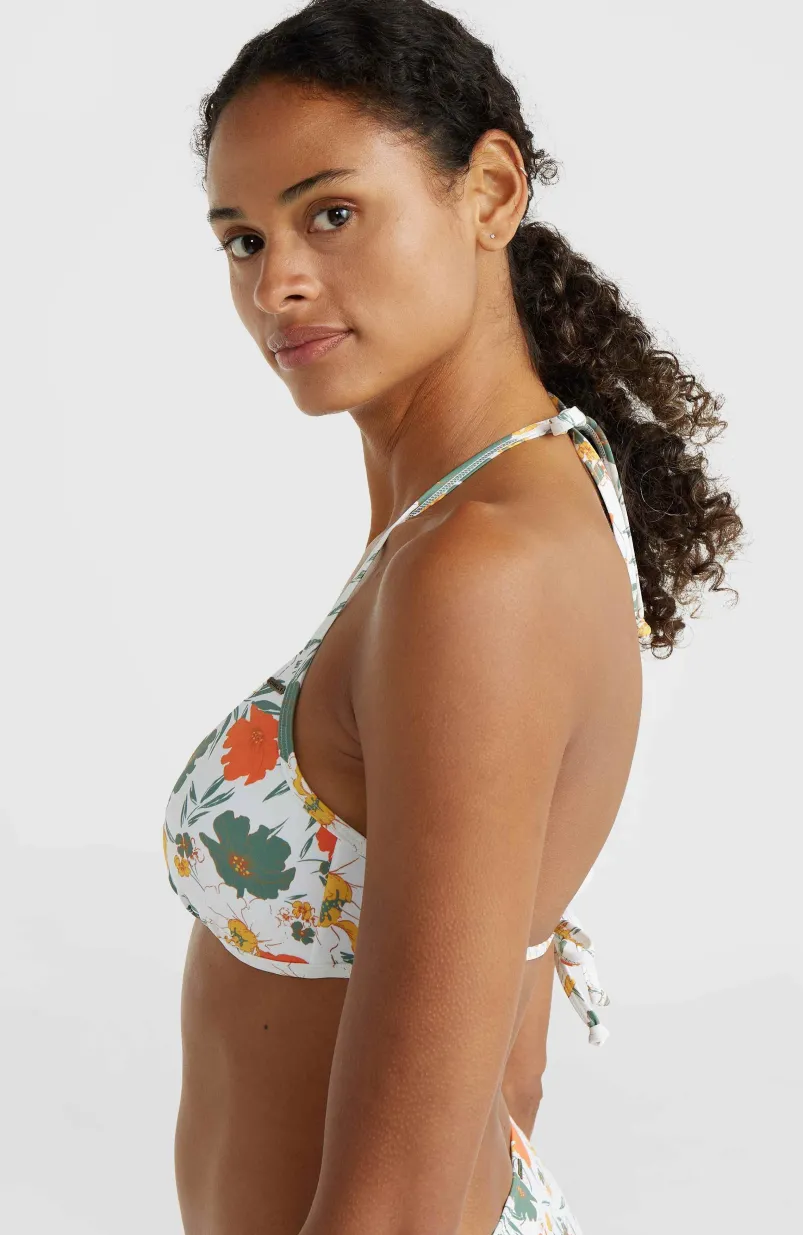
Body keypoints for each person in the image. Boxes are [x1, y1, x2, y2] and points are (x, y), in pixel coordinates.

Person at [163, 2, 744, 1232]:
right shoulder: (480, 507)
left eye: (330, 212)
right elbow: (509, 1048)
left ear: (488, 191)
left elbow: (401, 1203)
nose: (276, 282)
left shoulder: (476, 572)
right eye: (240, 239)